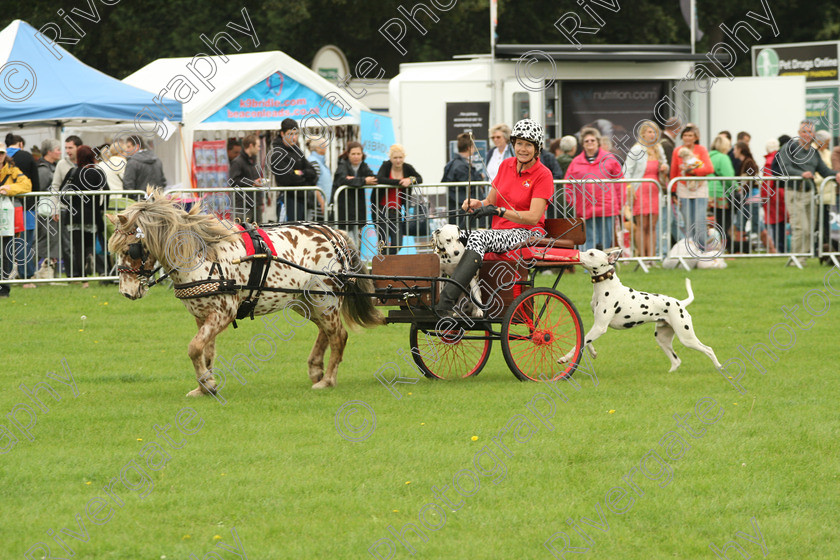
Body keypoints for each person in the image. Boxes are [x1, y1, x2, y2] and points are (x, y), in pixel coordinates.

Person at [434, 119, 554, 317]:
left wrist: (499, 212)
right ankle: (459, 298)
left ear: (537, 148)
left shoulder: (543, 175)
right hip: (500, 233)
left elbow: (533, 217)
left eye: (528, 145)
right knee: (453, 237)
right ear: (513, 143)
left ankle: (446, 301)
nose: (522, 149)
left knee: (479, 237)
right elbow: (490, 200)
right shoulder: (506, 165)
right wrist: (476, 204)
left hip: (526, 233)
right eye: (519, 143)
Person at [774, 121, 840, 255]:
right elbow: (784, 167)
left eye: (810, 132)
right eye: (804, 132)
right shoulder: (789, 147)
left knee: (810, 229)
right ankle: (796, 258)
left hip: (811, 194)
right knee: (800, 228)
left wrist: (837, 174)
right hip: (794, 192)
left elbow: (825, 171)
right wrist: (801, 174)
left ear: (813, 135)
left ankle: (802, 257)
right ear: (799, 133)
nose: (807, 135)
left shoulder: (814, 153)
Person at [564, 127, 624, 250]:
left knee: (606, 242)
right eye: (587, 141)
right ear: (583, 144)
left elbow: (620, 182)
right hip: (586, 208)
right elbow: (568, 185)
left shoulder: (610, 159)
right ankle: (588, 268)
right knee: (588, 240)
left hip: (607, 208)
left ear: (598, 142)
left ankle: (606, 266)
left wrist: (619, 203)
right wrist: (575, 203)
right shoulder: (575, 162)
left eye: (592, 140)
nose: (590, 143)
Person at [56, 146, 107, 284]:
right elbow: (106, 192)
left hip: (74, 216)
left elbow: (61, 193)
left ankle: (84, 280)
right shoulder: (98, 173)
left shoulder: (73, 172)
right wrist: (101, 208)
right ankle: (90, 256)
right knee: (90, 244)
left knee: (78, 248)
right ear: (92, 157)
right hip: (92, 216)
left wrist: (70, 206)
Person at [622, 120, 668, 257]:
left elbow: (664, 164)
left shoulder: (659, 149)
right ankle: (642, 256)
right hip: (640, 190)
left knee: (653, 226)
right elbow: (626, 170)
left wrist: (665, 168)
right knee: (642, 225)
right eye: (649, 132)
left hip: (655, 189)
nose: (653, 134)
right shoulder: (637, 149)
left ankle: (652, 257)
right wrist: (629, 188)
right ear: (643, 134)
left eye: (655, 132)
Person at [372, 144, 423, 255]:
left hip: (397, 211)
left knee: (398, 243)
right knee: (383, 241)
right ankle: (384, 265)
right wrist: (400, 182)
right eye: (395, 158)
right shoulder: (386, 166)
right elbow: (380, 179)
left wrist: (410, 180)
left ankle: (387, 260)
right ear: (390, 158)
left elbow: (419, 178)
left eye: (400, 157)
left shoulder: (407, 167)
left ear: (404, 157)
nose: (398, 160)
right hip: (381, 210)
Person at [670, 123, 714, 246]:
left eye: (690, 135)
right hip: (684, 187)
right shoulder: (677, 151)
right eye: (685, 135)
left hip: (699, 186)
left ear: (695, 137)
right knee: (688, 221)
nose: (688, 138)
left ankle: (702, 248)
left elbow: (709, 168)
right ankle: (690, 249)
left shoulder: (701, 149)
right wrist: (673, 190)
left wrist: (693, 171)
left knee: (699, 219)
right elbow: (674, 171)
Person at [270, 118, 319, 222]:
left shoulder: (297, 150)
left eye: (296, 133)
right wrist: (306, 178)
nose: (294, 137)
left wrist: (302, 173)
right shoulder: (277, 154)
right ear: (282, 134)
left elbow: (313, 172)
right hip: (288, 199)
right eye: (290, 133)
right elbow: (288, 178)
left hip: (302, 199)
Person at [5, 134, 40, 279]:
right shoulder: (27, 157)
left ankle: (6, 275)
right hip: (26, 207)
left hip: (5, 207)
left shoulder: (4, 159)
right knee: (24, 242)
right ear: (20, 144)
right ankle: (27, 275)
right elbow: (36, 184)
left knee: (6, 243)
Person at [0, 143, 33, 298]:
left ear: (4, 155)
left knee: (6, 253)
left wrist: (9, 189)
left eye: (1, 153)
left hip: (5, 218)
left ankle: (4, 288)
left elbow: (27, 185)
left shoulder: (13, 170)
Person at [333, 141, 376, 244]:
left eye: (358, 154)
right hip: (343, 210)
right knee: (345, 242)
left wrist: (354, 180)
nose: (356, 156)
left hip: (357, 210)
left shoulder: (363, 166)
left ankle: (355, 260)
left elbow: (374, 178)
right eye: (353, 154)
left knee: (356, 242)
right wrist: (363, 181)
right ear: (348, 154)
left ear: (362, 155)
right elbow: (342, 180)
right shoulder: (342, 165)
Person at [442, 132, 487, 229]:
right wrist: (480, 178)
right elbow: (471, 186)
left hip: (456, 208)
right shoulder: (461, 166)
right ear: (469, 148)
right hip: (464, 210)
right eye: (473, 147)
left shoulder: (451, 164)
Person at [229, 134, 265, 223]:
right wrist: (252, 182)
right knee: (243, 233)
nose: (259, 149)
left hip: (255, 205)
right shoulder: (237, 162)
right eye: (258, 146)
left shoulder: (253, 161)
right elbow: (233, 181)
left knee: (259, 233)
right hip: (243, 207)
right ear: (251, 145)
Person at [730, 141, 759, 253]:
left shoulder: (749, 162)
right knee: (754, 225)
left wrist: (743, 190)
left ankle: (739, 250)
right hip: (749, 196)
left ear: (740, 150)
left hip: (751, 196)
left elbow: (752, 179)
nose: (733, 152)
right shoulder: (744, 162)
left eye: (735, 149)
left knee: (744, 224)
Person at [37, 139, 62, 261]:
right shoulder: (43, 169)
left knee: (51, 241)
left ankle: (48, 271)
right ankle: (28, 271)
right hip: (44, 210)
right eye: (58, 150)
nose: (60, 152)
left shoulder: (53, 167)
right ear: (49, 152)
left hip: (51, 209)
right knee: (43, 241)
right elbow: (40, 190)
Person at [814, 130, 837, 256]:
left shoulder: (827, 153)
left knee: (827, 225)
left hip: (829, 196)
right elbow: (820, 173)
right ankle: (819, 250)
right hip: (818, 194)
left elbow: (830, 171)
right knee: (818, 225)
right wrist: (828, 179)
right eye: (826, 143)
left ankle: (827, 251)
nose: (827, 145)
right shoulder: (813, 153)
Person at [761, 138, 784, 253]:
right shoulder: (781, 157)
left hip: (773, 197)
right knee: (782, 223)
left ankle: (778, 248)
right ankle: (782, 248)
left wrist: (764, 197)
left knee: (774, 222)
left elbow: (767, 182)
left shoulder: (769, 161)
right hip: (781, 194)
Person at [307, 136, 333, 210]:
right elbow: (313, 184)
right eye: (324, 145)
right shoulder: (314, 162)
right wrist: (321, 202)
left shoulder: (320, 162)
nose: (326, 147)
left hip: (323, 203)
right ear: (318, 148)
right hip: (318, 205)